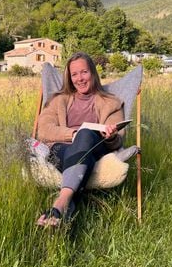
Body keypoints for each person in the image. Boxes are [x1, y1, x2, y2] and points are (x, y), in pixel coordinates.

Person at [36, 52, 125, 227]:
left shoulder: (111, 103)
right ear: (69, 78)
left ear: (92, 73)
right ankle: (64, 213)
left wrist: (111, 137)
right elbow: (44, 131)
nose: (80, 79)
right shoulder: (58, 100)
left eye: (84, 72)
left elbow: (118, 139)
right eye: (74, 74)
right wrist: (73, 134)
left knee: (86, 134)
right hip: (61, 150)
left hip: (94, 148)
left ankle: (59, 204)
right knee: (81, 137)